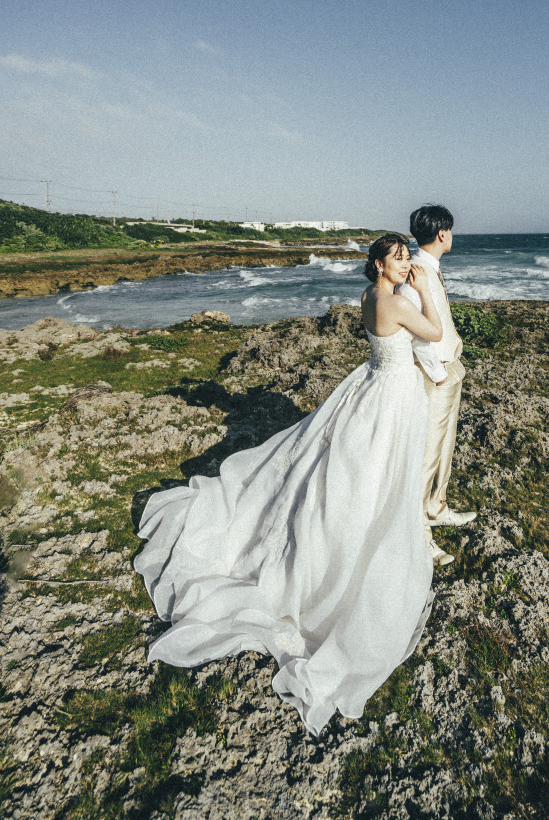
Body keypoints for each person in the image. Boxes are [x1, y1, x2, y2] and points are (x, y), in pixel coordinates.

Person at [134, 233, 443, 737]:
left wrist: (407, 281)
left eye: (409, 256)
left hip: (370, 384)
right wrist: (425, 285)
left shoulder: (369, 297)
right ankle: (351, 554)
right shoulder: (392, 302)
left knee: (346, 469)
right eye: (399, 258)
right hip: (390, 395)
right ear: (379, 266)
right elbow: (430, 333)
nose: (407, 262)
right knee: (373, 475)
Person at [398, 204, 476, 567]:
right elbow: (417, 334)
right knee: (426, 454)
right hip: (435, 375)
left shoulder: (429, 268)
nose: (453, 237)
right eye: (452, 231)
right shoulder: (416, 274)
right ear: (442, 233)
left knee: (445, 445)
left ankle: (436, 506)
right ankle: (418, 531)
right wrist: (440, 373)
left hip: (449, 369)